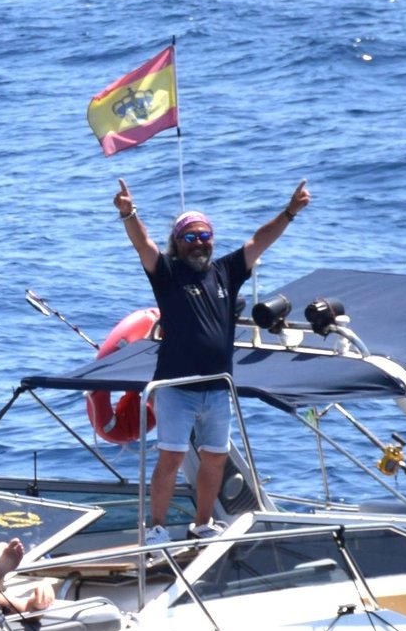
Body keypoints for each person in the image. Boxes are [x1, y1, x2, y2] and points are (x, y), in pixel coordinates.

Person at [113, 176, 311, 543]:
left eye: (205, 236)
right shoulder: (168, 273)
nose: (200, 242)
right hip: (176, 387)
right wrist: (129, 215)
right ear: (178, 242)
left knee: (215, 459)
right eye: (190, 237)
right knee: (170, 459)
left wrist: (289, 212)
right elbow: (144, 245)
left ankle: (203, 524)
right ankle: (155, 529)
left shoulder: (226, 271)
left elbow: (259, 241)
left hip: (218, 389)